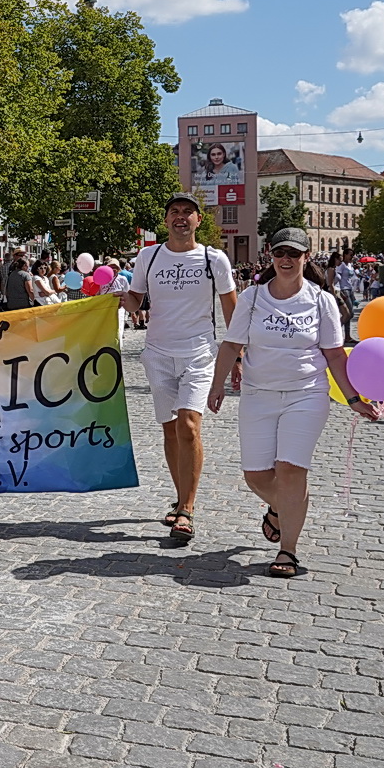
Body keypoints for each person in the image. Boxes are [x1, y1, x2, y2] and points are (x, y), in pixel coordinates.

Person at [208, 228, 377, 578]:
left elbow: (333, 354)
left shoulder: (321, 300)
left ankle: (288, 550)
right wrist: (218, 384)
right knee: (255, 474)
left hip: (306, 394)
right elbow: (230, 344)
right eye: (280, 252)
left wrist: (353, 398)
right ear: (271, 254)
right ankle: (280, 507)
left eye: (294, 253)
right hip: (258, 395)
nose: (286, 259)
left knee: (290, 469)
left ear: (306, 257)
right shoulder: (252, 298)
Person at [122, 195, 237, 542]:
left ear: (199, 221)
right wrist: (108, 296)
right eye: (174, 212)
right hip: (157, 354)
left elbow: (233, 312)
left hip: (199, 354)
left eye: (188, 212)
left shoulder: (213, 259)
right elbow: (135, 300)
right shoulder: (149, 255)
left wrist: (239, 358)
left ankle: (186, 509)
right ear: (166, 220)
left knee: (189, 425)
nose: (181, 217)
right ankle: (180, 497)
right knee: (170, 430)